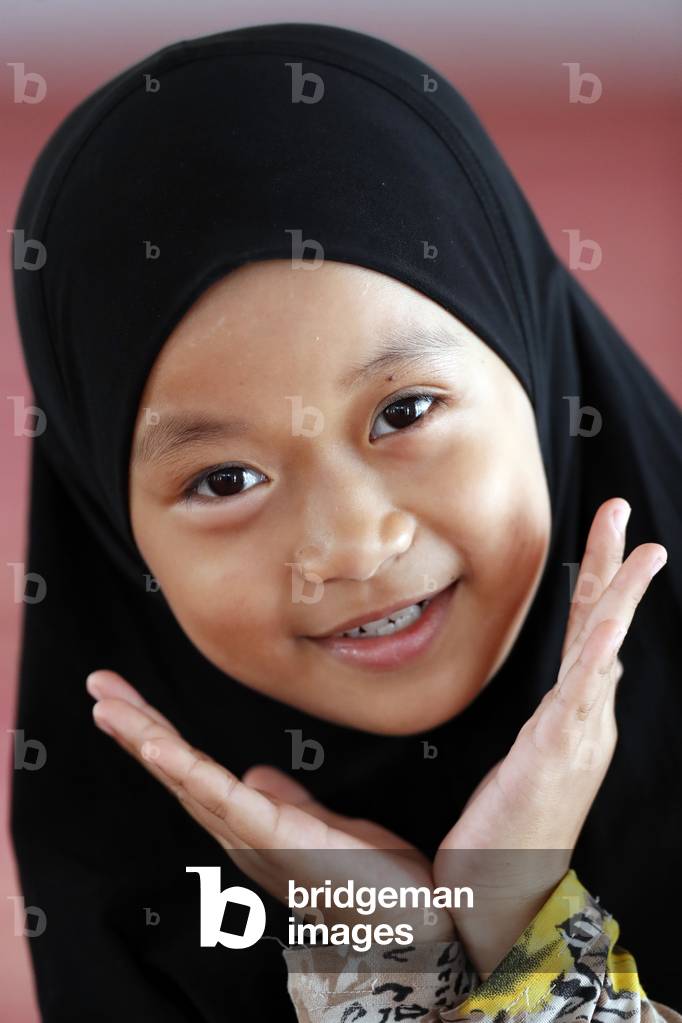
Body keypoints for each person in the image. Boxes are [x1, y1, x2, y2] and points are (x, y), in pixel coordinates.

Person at [9, 22, 681, 1022]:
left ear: (542, 382)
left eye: (404, 413)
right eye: (226, 478)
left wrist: (522, 918)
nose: (352, 546)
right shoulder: (141, 905)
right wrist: (393, 960)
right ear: (116, 535)